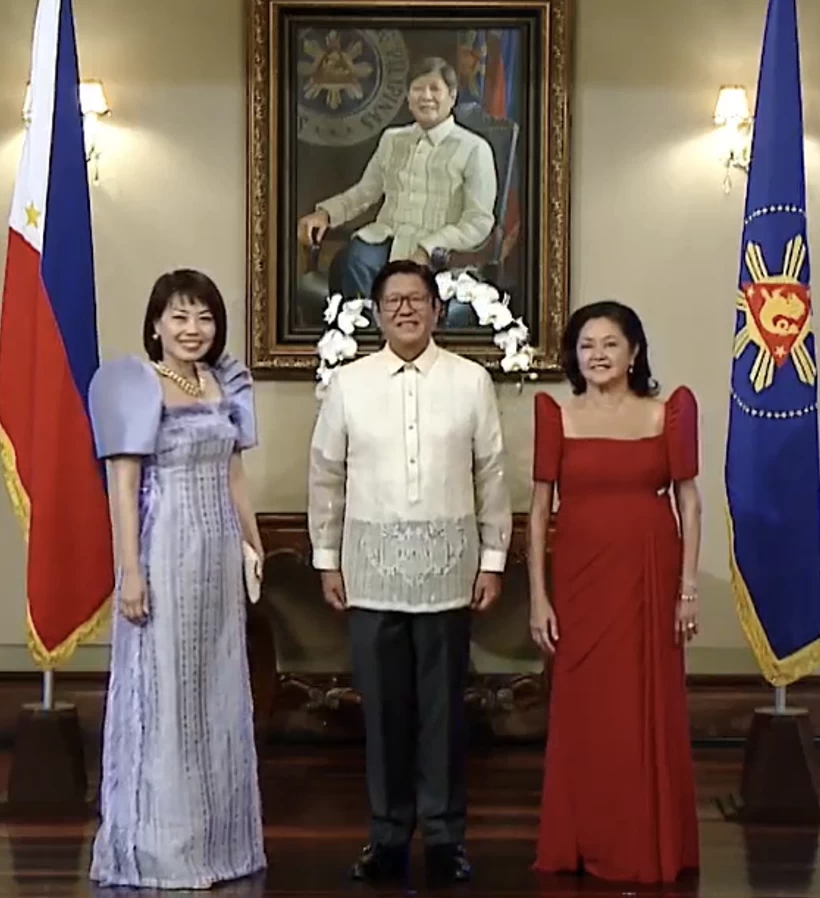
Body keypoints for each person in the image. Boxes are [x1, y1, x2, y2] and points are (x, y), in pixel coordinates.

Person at [307, 259, 511, 887]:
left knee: (443, 713)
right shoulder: (348, 383)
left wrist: (493, 559)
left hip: (451, 572)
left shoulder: (471, 381)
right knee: (385, 712)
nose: (405, 310)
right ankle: (387, 834)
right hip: (370, 571)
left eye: (416, 299)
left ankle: (446, 838)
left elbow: (491, 474)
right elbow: (326, 475)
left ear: (435, 308)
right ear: (375, 312)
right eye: (392, 300)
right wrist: (326, 557)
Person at [87, 269, 267, 889]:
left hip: (217, 554)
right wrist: (129, 572)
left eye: (205, 318)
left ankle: (222, 842)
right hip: (165, 546)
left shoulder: (225, 381)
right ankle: (162, 846)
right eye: (181, 317)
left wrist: (252, 538)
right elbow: (123, 487)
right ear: (156, 324)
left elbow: (234, 472)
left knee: (214, 684)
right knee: (165, 688)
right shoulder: (135, 384)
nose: (194, 330)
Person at [527, 301, 701, 883]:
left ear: (633, 351)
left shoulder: (667, 413)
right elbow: (536, 512)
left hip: (651, 574)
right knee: (587, 708)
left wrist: (688, 591)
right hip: (579, 578)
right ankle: (585, 837)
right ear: (574, 357)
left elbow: (690, 502)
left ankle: (647, 842)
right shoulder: (556, 414)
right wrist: (537, 596)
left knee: (644, 701)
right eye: (586, 345)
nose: (597, 355)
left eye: (609, 344)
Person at [297, 57, 497, 299]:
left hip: (441, 252)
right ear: (408, 97)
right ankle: (367, 333)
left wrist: (430, 247)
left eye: (435, 89)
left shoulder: (475, 148)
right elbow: (364, 193)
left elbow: (478, 221)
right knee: (355, 259)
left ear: (452, 96)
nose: (426, 96)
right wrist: (326, 213)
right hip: (386, 238)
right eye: (417, 89)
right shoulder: (392, 139)